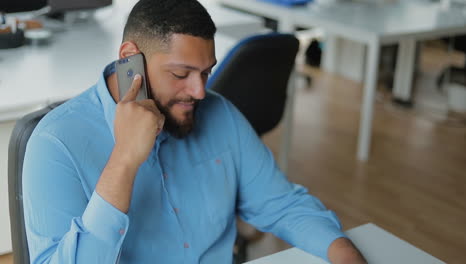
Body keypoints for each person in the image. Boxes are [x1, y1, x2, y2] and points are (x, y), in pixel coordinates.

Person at [22, 0, 367, 263]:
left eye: (205, 72)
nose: (200, 91)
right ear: (131, 59)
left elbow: (281, 204)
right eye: (180, 74)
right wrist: (124, 161)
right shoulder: (56, 144)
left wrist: (343, 252)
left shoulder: (220, 114)